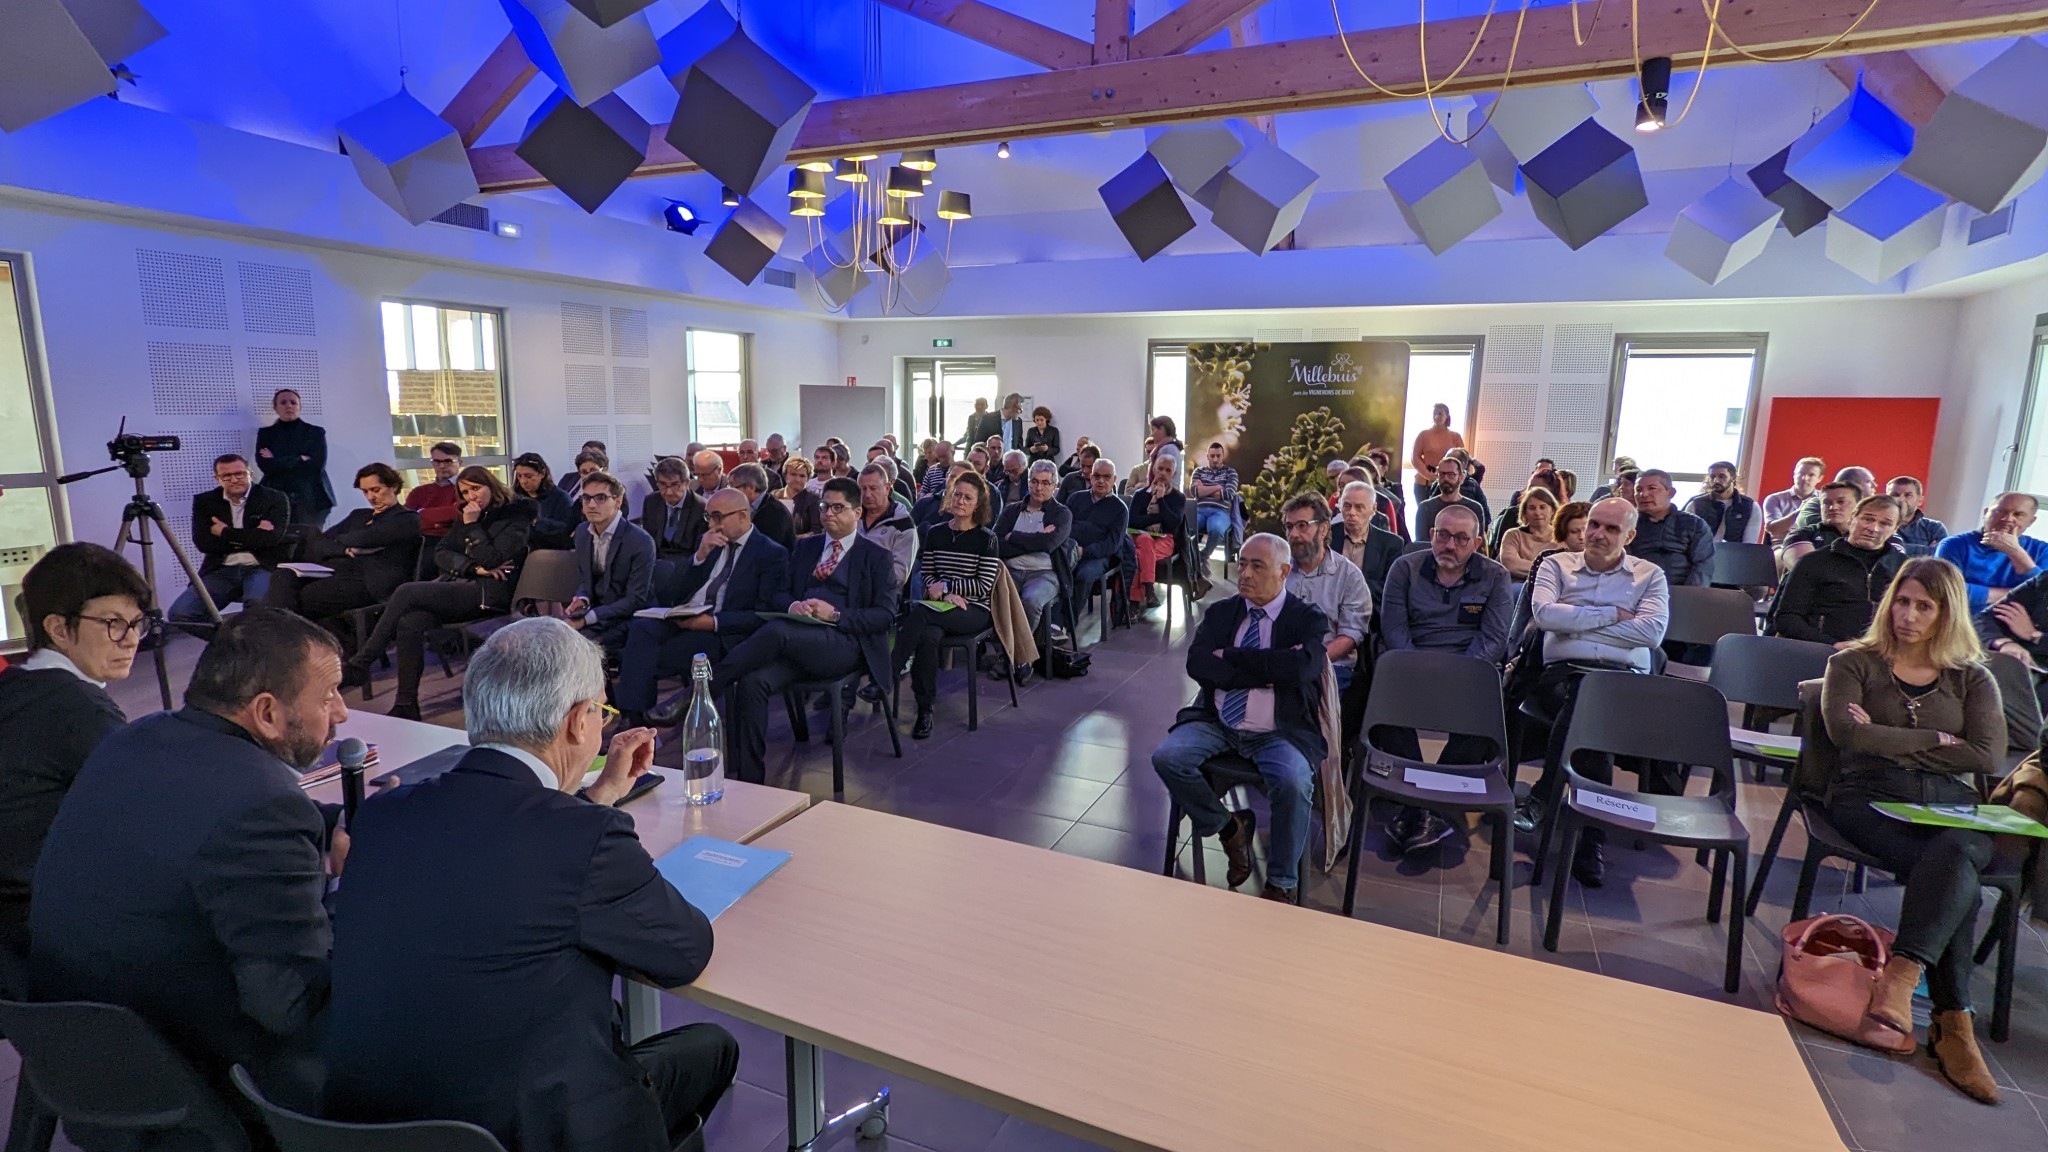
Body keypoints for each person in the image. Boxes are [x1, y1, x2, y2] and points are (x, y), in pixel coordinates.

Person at [325, 618, 738, 1148]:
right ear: (575, 723)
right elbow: (686, 951)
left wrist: (599, 796)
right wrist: (594, 820)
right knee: (713, 1045)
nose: (600, 727)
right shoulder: (583, 839)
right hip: (534, 1131)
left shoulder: (381, 815)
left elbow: (495, 861)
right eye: (600, 712)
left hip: (370, 1129)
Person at [31, 608, 347, 1102]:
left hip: (76, 1054)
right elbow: (290, 1005)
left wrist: (327, 825)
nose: (342, 713)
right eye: (328, 695)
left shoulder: (136, 739)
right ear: (267, 712)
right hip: (197, 1074)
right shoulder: (262, 803)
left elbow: (196, 825)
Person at [1819, 557, 2004, 1103]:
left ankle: (1903, 976)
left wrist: (1884, 731)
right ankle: (1955, 1026)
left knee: (1955, 851)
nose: (1908, 615)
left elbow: (1989, 753)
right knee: (1958, 870)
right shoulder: (1855, 662)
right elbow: (1848, 738)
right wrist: (1942, 746)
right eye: (1902, 600)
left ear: (1948, 613)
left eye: (1925, 606)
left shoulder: (1973, 676)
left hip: (1950, 808)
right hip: (1868, 796)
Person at [1151, 534, 1327, 903]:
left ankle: (1280, 882)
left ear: (1284, 572)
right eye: (1242, 563)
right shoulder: (1222, 612)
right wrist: (1271, 668)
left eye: (1256, 566)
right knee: (1168, 757)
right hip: (1218, 721)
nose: (1244, 573)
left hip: (1279, 731)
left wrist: (1230, 658)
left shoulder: (1305, 618)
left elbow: (1302, 670)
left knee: (1294, 783)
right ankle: (1230, 826)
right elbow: (1198, 664)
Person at [0, 544, 147, 955]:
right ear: (59, 629)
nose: (131, 640)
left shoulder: (17, 684)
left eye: (137, 623)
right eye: (113, 624)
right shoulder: (79, 709)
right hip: (33, 934)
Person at [711, 478, 899, 783]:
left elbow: (884, 616)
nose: (828, 514)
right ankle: (751, 780)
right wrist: (792, 606)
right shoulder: (806, 547)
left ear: (857, 512)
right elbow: (778, 593)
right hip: (798, 640)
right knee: (752, 681)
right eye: (825, 506)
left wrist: (835, 614)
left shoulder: (875, 557)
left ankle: (707, 687)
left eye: (838, 507)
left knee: (776, 631)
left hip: (844, 645)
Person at [1524, 497, 1670, 886]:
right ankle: (1592, 839)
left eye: (1611, 529)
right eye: (1593, 525)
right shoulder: (1555, 564)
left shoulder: (1650, 575)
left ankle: (1545, 794)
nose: (1597, 535)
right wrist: (1612, 615)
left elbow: (1651, 633)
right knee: (1590, 707)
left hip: (1624, 681)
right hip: (1562, 674)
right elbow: (1543, 616)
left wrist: (1573, 623)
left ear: (1630, 535)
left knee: (1592, 704)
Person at [1375, 503, 1515, 855]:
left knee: (1486, 704)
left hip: (1467, 670)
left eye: (1460, 538)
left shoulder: (1495, 576)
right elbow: (1393, 629)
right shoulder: (1404, 568)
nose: (1449, 545)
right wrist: (1418, 672)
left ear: (1478, 543)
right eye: (1442, 535)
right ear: (1432, 534)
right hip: (1411, 663)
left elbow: (1494, 639)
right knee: (1382, 696)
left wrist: (1455, 678)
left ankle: (1433, 806)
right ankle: (1412, 798)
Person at [342, 467, 535, 719]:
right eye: (465, 492)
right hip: (464, 583)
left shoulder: (516, 517)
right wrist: (472, 566)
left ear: (491, 486)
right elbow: (441, 552)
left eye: (476, 489)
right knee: (411, 621)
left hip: (491, 594)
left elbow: (493, 558)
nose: (471, 497)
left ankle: (361, 663)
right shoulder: (467, 515)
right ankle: (406, 704)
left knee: (407, 591)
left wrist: (472, 528)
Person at [622, 489, 790, 730]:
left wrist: (713, 623)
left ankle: (639, 723)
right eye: (709, 517)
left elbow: (763, 615)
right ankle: (635, 719)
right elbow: (671, 594)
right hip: (688, 616)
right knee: (641, 629)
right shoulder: (711, 543)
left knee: (649, 655)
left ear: (743, 516)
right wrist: (699, 556)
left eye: (719, 517)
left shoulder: (770, 554)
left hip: (722, 631)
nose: (712, 525)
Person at [895, 472, 1004, 738]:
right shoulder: (935, 532)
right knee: (928, 636)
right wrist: (944, 595)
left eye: (968, 498)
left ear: (978, 505)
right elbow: (929, 574)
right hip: (940, 608)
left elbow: (982, 586)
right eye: (957, 494)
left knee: (920, 612)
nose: (960, 501)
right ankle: (925, 709)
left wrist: (947, 588)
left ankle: (887, 672)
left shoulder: (987, 539)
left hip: (974, 610)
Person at [263, 463, 423, 621]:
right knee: (282, 576)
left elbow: (366, 538)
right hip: (335, 570)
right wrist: (345, 550)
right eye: (365, 492)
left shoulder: (407, 519)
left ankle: (288, 637)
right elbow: (319, 543)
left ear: (393, 487)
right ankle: (285, 636)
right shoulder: (359, 515)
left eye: (376, 490)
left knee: (305, 596)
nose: (370, 497)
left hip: (370, 581)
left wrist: (343, 540)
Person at [171, 453, 291, 634]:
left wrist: (225, 532)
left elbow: (271, 540)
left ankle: (253, 650)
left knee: (257, 607)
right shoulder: (205, 502)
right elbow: (204, 544)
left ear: (250, 474)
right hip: (222, 569)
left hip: (261, 566)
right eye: (226, 476)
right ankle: (230, 644)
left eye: (240, 474)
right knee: (180, 613)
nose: (234, 480)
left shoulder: (274, 498)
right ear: (217, 479)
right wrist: (253, 535)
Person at [1769, 495, 1905, 646]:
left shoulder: (1904, 568)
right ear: (1851, 519)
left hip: (1880, 654)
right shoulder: (1814, 561)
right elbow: (1786, 619)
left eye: (1885, 523)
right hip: (1823, 650)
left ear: (1895, 530)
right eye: (1868, 519)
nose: (1873, 528)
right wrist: (1832, 644)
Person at [1280, 493, 1371, 691]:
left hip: (1328, 666)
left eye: (1302, 525)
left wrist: (1307, 660)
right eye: (1289, 527)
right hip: (1277, 662)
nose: (1294, 534)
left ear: (1323, 529)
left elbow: (1350, 635)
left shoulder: (1348, 575)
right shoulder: (1277, 570)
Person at [565, 470, 656, 660]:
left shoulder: (639, 540)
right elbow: (585, 578)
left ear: (618, 501)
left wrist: (587, 618)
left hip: (631, 616)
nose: (591, 504)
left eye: (600, 498)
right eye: (586, 498)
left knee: (578, 647)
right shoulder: (582, 533)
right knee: (557, 640)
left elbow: (636, 599)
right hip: (597, 612)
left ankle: (600, 690)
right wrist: (582, 598)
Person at [996, 460, 1072, 642]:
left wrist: (1013, 536)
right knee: (996, 599)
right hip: (1009, 571)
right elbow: (996, 543)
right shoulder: (1011, 510)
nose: (1039, 488)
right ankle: (1005, 651)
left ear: (1055, 486)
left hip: (1044, 573)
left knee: (1030, 601)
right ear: (1028, 482)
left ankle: (1021, 656)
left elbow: (1049, 544)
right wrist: (1037, 537)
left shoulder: (1062, 513)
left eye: (1046, 483)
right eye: (1034, 481)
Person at [1935, 492, 2048, 611]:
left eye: (2018, 514)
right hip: (1963, 621)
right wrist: (2018, 594)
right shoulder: (1954, 545)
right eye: (2000, 511)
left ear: (2031, 521)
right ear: (1985, 513)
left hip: (2018, 626)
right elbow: (1945, 590)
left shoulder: (2042, 550)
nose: (2007, 519)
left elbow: (2043, 596)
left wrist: (2016, 552)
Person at [256, 388, 334, 529]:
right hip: (276, 496)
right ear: (275, 407)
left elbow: (317, 464)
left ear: (300, 406)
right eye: (283, 402)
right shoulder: (266, 434)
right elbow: (266, 466)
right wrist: (300, 459)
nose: (289, 406)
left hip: (311, 497)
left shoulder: (315, 432)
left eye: (293, 402)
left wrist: (277, 459)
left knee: (309, 542)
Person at [1626, 469, 1715, 589]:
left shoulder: (1694, 524)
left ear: (1670, 493)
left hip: (1682, 592)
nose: (1644, 494)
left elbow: (1703, 565)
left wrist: (1690, 595)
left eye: (1652, 488)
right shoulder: (1627, 524)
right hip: (1637, 590)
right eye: (1638, 490)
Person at [1068, 458, 1130, 625]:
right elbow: (1065, 530)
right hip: (1072, 551)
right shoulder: (1075, 499)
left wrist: (1085, 551)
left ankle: (1067, 624)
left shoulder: (1120, 509)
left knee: (1083, 575)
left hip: (1101, 557)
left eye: (1106, 477)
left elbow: (1112, 544)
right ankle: (1050, 622)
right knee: (1055, 572)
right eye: (1096, 476)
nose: (1101, 481)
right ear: (1090, 477)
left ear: (1114, 479)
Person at [1127, 451, 1188, 613]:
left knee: (1137, 556)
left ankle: (1133, 603)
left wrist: (1160, 499)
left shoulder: (1178, 497)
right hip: (1139, 537)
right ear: (1153, 469)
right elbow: (1132, 521)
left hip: (1165, 540)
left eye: (1168, 470)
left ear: (1173, 474)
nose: (1163, 473)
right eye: (1160, 468)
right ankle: (1149, 590)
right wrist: (1158, 518)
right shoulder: (1140, 495)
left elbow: (1173, 524)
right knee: (1145, 540)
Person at [1332, 480, 1404, 595]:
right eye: (1346, 506)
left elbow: (1390, 588)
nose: (1351, 512)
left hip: (1371, 607)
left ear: (1374, 509)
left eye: (1359, 507)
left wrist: (1350, 587)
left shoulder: (1391, 544)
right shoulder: (1326, 536)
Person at [856, 462, 920, 591]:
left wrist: (859, 579)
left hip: (883, 594)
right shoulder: (853, 517)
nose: (867, 495)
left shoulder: (903, 525)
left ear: (887, 487)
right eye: (863, 489)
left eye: (873, 488)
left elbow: (898, 575)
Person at [1779, 481, 1862, 572]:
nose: (1833, 507)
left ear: (1858, 506)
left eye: (1841, 502)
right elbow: (1806, 572)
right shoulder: (1801, 535)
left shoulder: (1867, 538)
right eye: (1826, 502)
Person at [641, 456, 709, 563]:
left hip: (685, 563)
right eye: (662, 484)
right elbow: (647, 539)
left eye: (674, 485)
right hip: (655, 560)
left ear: (687, 483)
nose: (668, 492)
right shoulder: (651, 501)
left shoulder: (701, 507)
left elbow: (698, 551)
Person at [1186, 442, 1240, 570]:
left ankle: (1202, 556)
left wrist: (1203, 489)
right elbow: (1194, 492)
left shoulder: (1230, 472)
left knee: (1216, 530)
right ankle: (1191, 558)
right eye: (1212, 456)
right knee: (1186, 528)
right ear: (1207, 456)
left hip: (1220, 511)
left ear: (1223, 456)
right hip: (1199, 510)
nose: (1215, 459)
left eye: (1218, 456)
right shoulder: (1198, 471)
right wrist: (1217, 487)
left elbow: (1228, 494)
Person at [1684, 461, 1766, 544]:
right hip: (1701, 554)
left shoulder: (1750, 507)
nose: (1716, 480)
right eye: (1712, 477)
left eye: (1722, 476)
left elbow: (1749, 544)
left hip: (1735, 554)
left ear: (1733, 478)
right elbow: (1685, 537)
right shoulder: (1696, 504)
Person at [512, 451, 577, 550]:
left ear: (542, 474)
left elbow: (567, 530)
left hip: (550, 553)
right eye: (519, 476)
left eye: (529, 476)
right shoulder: (515, 498)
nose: (523, 481)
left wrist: (537, 522)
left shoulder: (561, 498)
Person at [407, 441, 465, 544]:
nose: (442, 466)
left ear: (460, 463)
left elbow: (457, 514)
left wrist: (421, 512)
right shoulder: (418, 492)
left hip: (453, 543)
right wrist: (439, 522)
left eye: (448, 461)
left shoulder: (466, 490)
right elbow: (406, 520)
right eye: (437, 461)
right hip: (420, 543)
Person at [1415, 454, 1485, 540]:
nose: (1446, 479)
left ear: (1461, 477)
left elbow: (1477, 545)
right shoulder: (1425, 508)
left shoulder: (1474, 508)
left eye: (1451, 475)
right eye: (1442, 474)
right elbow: (1421, 545)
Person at [1496, 488, 1561, 579]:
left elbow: (1562, 568)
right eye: (1532, 508)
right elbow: (1511, 565)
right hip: (1518, 584)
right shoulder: (1513, 535)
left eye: (1542, 507)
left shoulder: (1561, 537)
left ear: (1553, 511)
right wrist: (1548, 568)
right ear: (1525, 513)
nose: (1538, 513)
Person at [730, 461, 796, 551]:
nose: (729, 492)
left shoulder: (775, 513)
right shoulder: (750, 506)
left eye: (733, 487)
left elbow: (765, 549)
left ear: (751, 488)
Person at [1409, 402, 1463, 510]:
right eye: (1435, 413)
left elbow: (1462, 459)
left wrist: (1448, 476)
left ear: (1447, 416)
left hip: (1448, 484)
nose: (1437, 416)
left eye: (1440, 413)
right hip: (1424, 484)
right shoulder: (1424, 435)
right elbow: (1415, 457)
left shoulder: (1455, 436)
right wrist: (1428, 475)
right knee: (1425, 516)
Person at [1793, 466, 1876, 531]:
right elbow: (1812, 523)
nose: (1875, 485)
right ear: (1852, 485)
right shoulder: (1816, 503)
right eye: (1869, 482)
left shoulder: (1873, 507)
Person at [1763, 456, 1827, 538]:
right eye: (1801, 474)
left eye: (1811, 475)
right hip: (1782, 545)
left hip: (1816, 545)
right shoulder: (1775, 499)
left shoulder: (1825, 499)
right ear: (1794, 475)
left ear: (1820, 479)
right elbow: (1772, 529)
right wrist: (1801, 511)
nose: (1804, 478)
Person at [1887, 476, 1949, 557]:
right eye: (1895, 495)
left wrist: (1896, 547)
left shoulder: (1934, 528)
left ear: (1920, 501)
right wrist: (1928, 550)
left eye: (1908, 495)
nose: (1901, 499)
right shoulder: (1880, 524)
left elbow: (1942, 557)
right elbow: (1880, 552)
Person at [776, 455, 824, 536]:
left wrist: (795, 539)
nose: (797, 479)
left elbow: (816, 531)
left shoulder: (814, 500)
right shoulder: (774, 496)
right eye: (793, 474)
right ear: (785, 475)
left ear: (808, 478)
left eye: (802, 476)